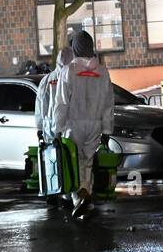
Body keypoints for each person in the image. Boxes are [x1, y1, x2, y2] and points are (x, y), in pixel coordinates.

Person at [53, 31, 113, 221]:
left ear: (75, 48)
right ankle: (86, 195)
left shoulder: (68, 71)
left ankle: (79, 197)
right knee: (87, 162)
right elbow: (108, 103)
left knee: (73, 162)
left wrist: (57, 128)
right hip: (95, 124)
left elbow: (61, 103)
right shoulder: (102, 72)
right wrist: (107, 130)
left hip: (74, 124)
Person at [33, 46, 73, 209]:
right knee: (68, 160)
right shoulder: (71, 78)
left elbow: (40, 106)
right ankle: (67, 195)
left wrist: (40, 128)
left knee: (52, 160)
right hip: (67, 126)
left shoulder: (47, 80)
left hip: (50, 127)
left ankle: (51, 191)